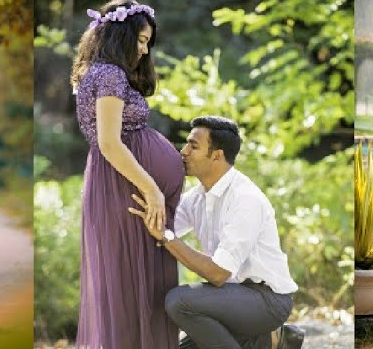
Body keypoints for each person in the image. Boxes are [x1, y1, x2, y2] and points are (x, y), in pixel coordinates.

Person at [130, 116, 303, 349]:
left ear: (217, 156)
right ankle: (271, 341)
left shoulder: (245, 199)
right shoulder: (197, 196)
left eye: (194, 146)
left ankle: (267, 335)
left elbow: (218, 273)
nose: (183, 152)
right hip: (231, 297)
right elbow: (162, 225)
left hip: (267, 302)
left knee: (178, 301)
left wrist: (166, 237)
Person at [71, 0, 185, 349]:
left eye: (148, 42)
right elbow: (109, 142)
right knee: (130, 286)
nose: (144, 49)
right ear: (120, 34)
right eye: (140, 40)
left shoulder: (104, 73)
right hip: (128, 188)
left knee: (133, 285)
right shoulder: (109, 74)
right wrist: (151, 188)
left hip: (122, 185)